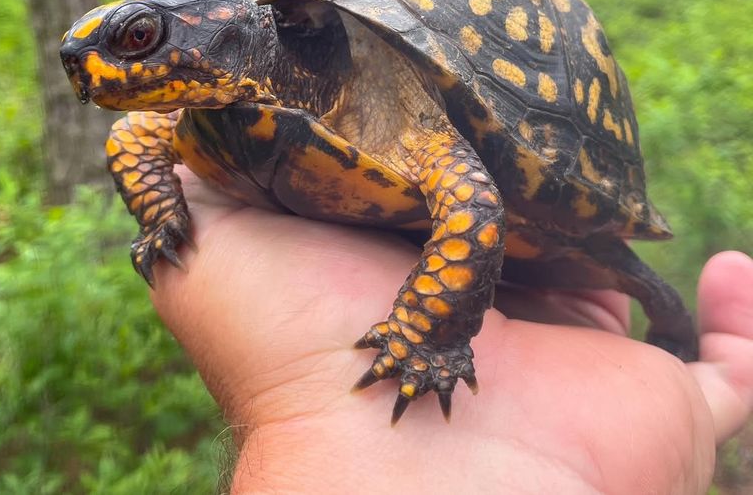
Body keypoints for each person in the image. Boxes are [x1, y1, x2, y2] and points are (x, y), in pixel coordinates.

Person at [151, 168, 753, 494]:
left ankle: (673, 334)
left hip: (505, 181)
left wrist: (429, 330)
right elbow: (141, 134)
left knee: (638, 282)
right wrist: (158, 204)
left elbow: (473, 200)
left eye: (143, 39)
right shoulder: (209, 113)